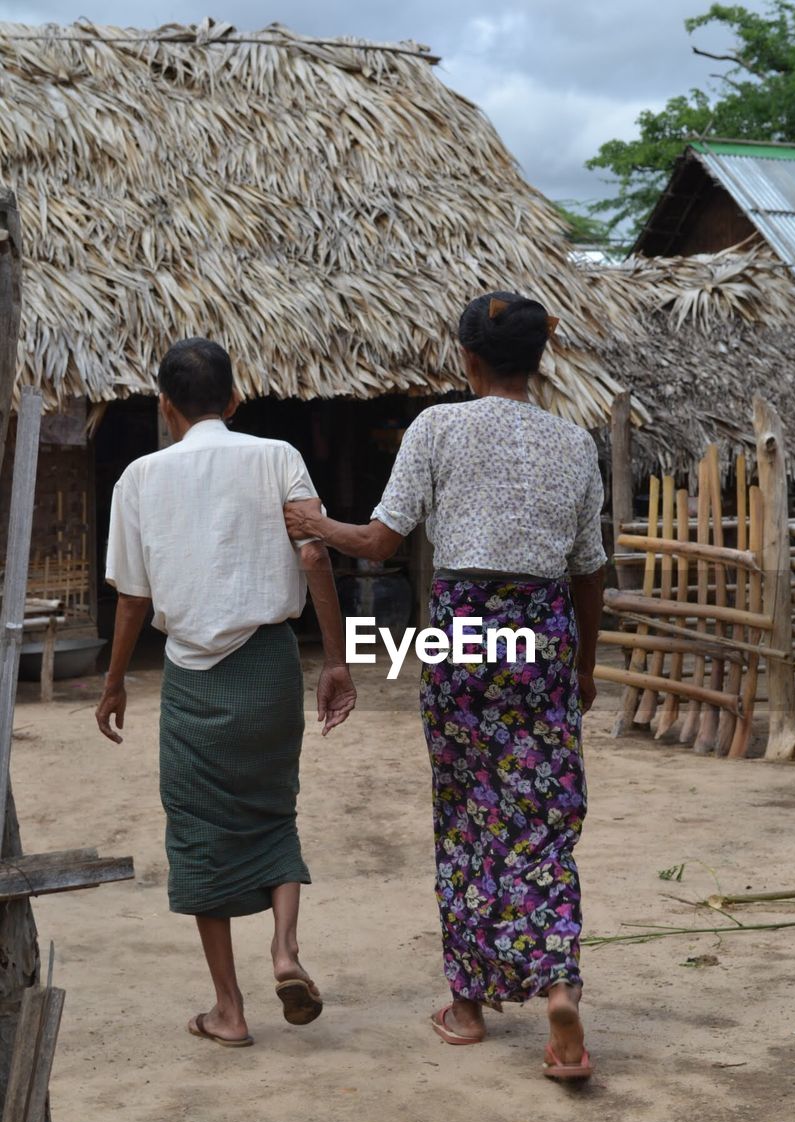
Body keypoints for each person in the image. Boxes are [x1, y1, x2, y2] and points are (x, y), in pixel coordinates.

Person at [285, 291, 606, 1080]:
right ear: (541, 359)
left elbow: (376, 540)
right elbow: (592, 573)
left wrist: (311, 522)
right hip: (543, 632)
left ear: (467, 360)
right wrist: (586, 665)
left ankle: (467, 1005)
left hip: (464, 630)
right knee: (542, 815)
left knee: (467, 814)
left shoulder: (437, 427)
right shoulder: (574, 443)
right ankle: (558, 983)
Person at [96, 338, 356, 1048]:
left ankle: (229, 1010)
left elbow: (131, 602)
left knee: (199, 832)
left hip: (192, 680)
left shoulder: (139, 479)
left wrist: (115, 681)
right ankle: (285, 950)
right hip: (269, 665)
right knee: (274, 810)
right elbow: (314, 554)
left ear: (164, 407)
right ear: (236, 401)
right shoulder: (278, 458)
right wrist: (336, 658)